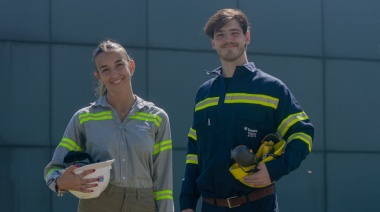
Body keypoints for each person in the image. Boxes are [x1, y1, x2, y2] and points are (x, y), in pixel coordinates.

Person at [180, 8, 314, 212]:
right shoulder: (204, 94)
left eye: (234, 33)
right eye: (220, 35)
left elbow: (303, 134)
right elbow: (194, 153)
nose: (228, 40)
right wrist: (187, 204)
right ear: (213, 43)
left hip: (256, 204)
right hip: (210, 207)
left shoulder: (271, 88)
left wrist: (273, 169)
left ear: (247, 37)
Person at [44, 39, 174, 212]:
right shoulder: (84, 118)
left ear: (131, 66)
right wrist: (60, 182)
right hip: (97, 204)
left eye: (119, 65)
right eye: (105, 69)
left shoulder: (157, 118)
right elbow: (53, 168)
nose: (114, 74)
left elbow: (163, 182)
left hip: (143, 204)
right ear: (98, 76)